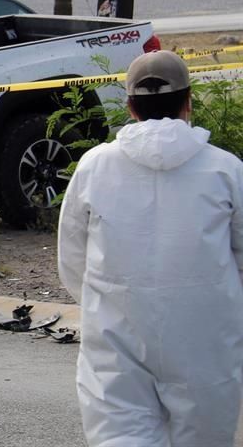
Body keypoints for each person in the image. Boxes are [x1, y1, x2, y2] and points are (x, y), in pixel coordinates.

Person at [58, 49, 243, 447]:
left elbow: (72, 259)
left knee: (121, 436)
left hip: (117, 334)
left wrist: (107, 300)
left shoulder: (93, 167)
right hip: (206, 337)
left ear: (129, 106)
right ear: (189, 102)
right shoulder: (226, 170)